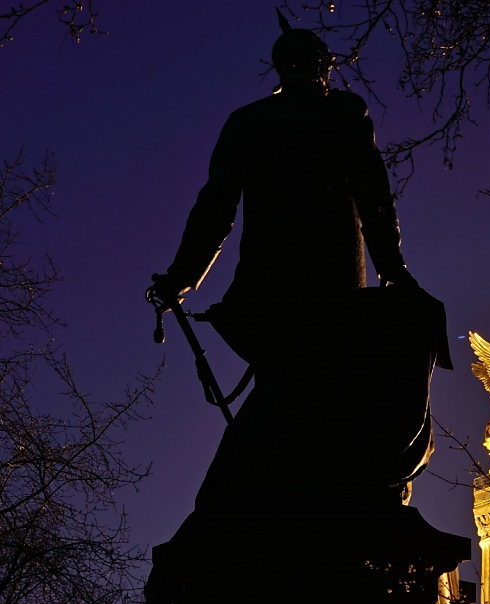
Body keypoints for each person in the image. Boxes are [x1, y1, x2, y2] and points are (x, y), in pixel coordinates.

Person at [149, 18, 418, 360]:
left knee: (282, 385)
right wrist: (391, 264)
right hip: (333, 285)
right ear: (322, 65)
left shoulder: (246, 122)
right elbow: (373, 192)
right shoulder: (342, 110)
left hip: (265, 291)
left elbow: (214, 209)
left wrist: (181, 277)